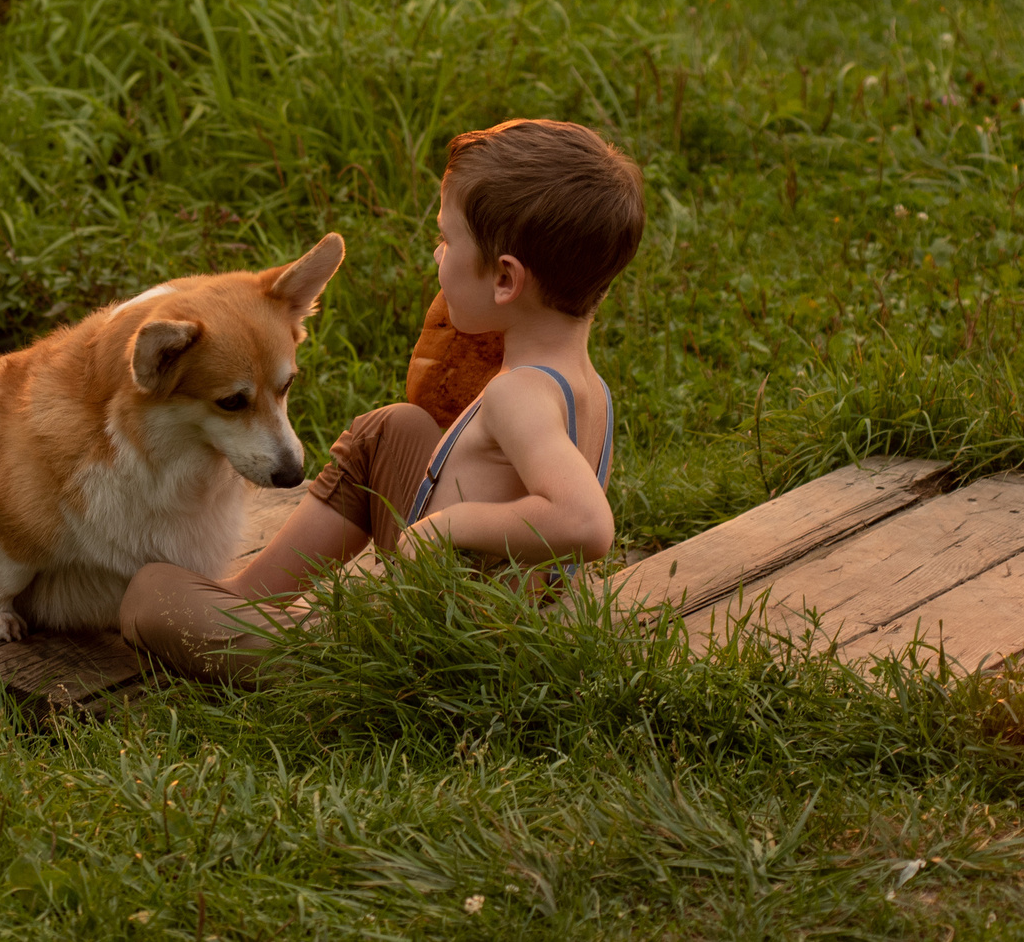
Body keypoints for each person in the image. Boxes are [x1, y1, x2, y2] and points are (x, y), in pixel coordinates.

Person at [117, 118, 644, 682]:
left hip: (435, 654)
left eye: (447, 240)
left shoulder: (520, 393)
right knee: (396, 427)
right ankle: (254, 598)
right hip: (488, 623)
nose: (438, 256)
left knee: (149, 595)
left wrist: (446, 527)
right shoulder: (586, 388)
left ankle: (310, 651)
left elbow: (586, 523)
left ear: (505, 281)